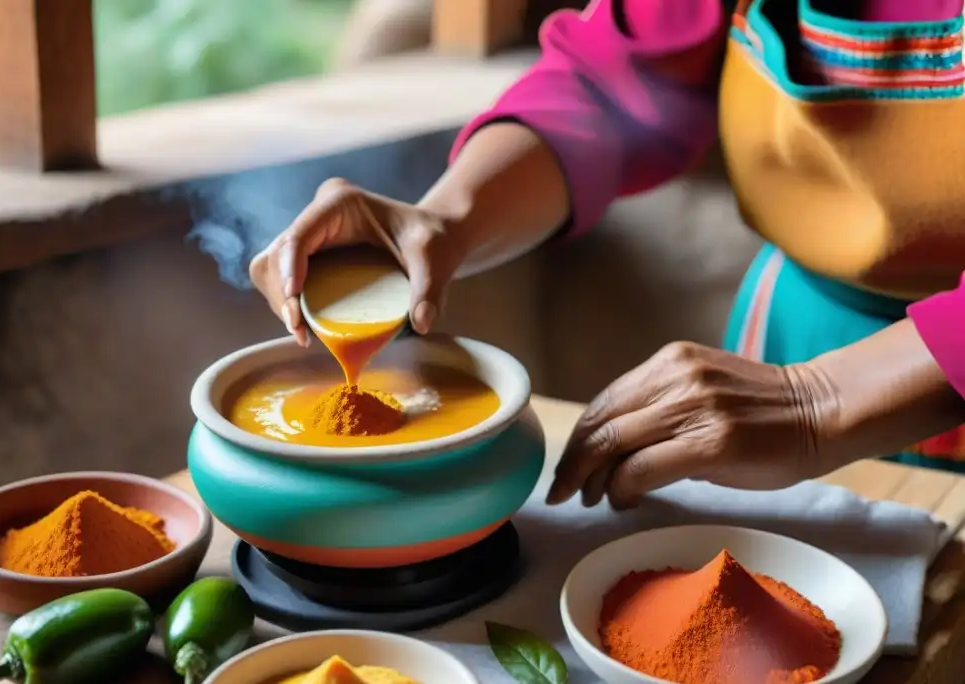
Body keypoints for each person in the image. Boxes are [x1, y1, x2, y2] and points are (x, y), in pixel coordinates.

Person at [250, 0, 965, 507]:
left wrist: (820, 401)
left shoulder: (814, 400)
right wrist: (443, 218)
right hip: (793, 334)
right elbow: (609, 88)